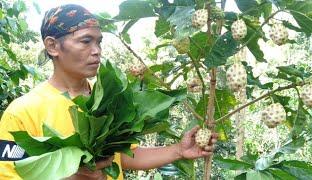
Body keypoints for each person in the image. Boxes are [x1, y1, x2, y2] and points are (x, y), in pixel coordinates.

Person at [0, 4, 218, 180]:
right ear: (52, 46)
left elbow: (123, 156)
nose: (96, 51)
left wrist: (179, 151)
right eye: (85, 41)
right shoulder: (22, 112)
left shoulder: (108, 101)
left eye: (99, 42)